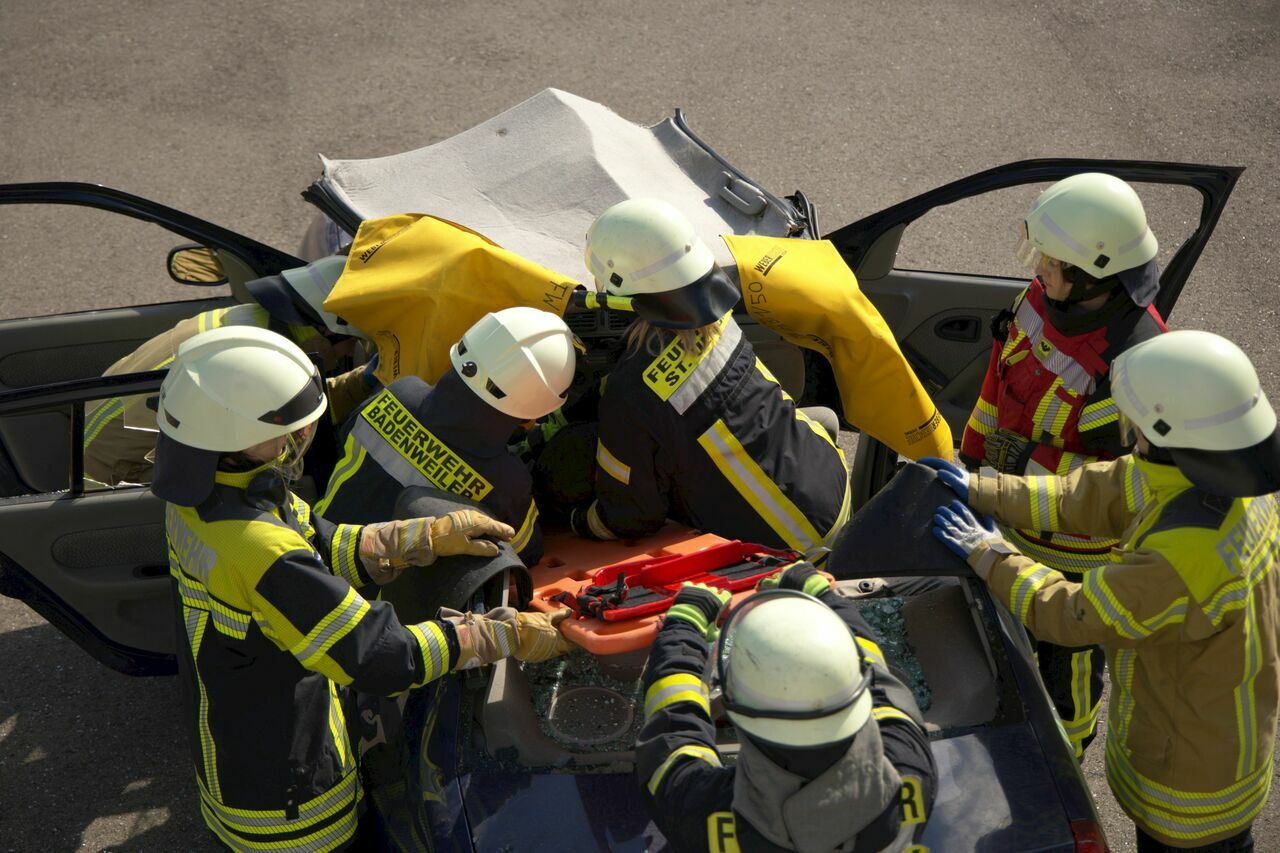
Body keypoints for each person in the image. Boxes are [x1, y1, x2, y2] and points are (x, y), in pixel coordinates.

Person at [152, 325, 572, 852]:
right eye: (288, 431)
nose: (298, 439)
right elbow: (378, 654)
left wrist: (418, 539)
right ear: (234, 434)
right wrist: (498, 636)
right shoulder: (256, 547)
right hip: (293, 806)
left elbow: (314, 543)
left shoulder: (204, 493)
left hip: (241, 748)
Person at [928, 330, 1280, 851]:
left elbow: (1071, 613)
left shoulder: (1186, 555)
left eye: (1135, 422)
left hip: (1189, 794)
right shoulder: (1215, 479)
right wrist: (985, 490)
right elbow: (1086, 495)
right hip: (1217, 741)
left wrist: (987, 552)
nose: (1128, 433)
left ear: (1166, 431)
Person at [956, 172, 1167, 757]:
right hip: (1008, 515)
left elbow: (1124, 480)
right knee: (1002, 645)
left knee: (1065, 664)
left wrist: (1017, 464)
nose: (1040, 270)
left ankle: (1066, 759)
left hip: (1075, 553)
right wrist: (970, 461)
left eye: (1052, 262)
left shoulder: (1137, 362)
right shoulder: (1038, 299)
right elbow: (997, 384)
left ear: (1094, 272)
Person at [571, 198, 849, 555]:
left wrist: (576, 520)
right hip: (833, 482)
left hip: (798, 543)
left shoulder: (631, 392)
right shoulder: (716, 317)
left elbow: (631, 517)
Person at [637, 562, 936, 852]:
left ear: (735, 711)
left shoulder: (706, 815)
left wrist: (684, 624)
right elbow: (872, 673)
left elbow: (673, 735)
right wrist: (821, 595)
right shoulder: (908, 770)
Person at [316, 306, 577, 567]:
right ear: (537, 407)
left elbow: (344, 444)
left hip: (316, 549)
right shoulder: (507, 481)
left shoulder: (398, 392)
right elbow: (528, 550)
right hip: (378, 588)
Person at [85, 254, 374, 486]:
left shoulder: (247, 322)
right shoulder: (255, 362)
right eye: (351, 341)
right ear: (324, 329)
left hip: (91, 439)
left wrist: (363, 381)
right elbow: (284, 429)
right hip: (117, 478)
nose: (351, 352)